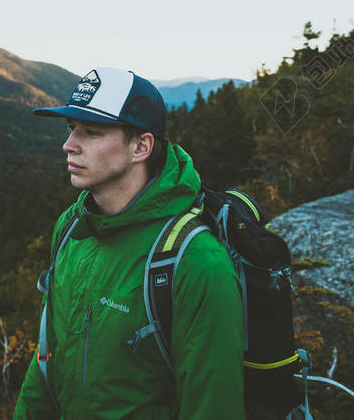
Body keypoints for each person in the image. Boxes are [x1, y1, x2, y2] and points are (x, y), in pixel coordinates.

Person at [14, 67, 244, 420]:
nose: (69, 145)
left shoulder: (194, 261)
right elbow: (47, 356)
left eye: (90, 132)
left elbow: (213, 406)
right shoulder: (72, 229)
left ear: (141, 146)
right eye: (71, 129)